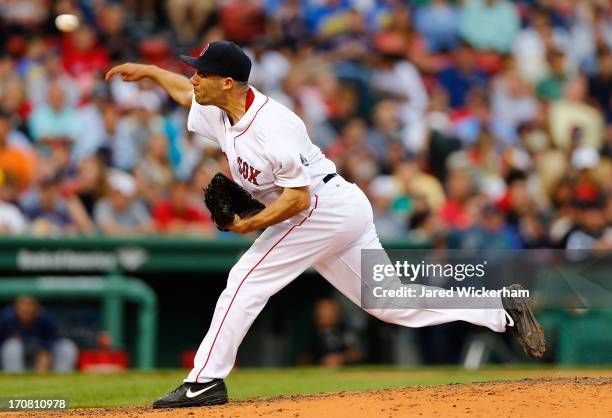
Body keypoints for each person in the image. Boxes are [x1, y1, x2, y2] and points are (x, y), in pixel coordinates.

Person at [105, 40, 545, 409]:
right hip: (341, 207)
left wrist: (252, 223)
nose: (194, 78)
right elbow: (184, 93)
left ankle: (203, 381)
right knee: (389, 302)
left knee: (245, 278)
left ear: (227, 82)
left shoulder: (273, 128)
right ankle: (498, 307)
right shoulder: (220, 109)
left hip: (321, 207)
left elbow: (298, 199)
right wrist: (148, 71)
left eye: (202, 73)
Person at [0, 296, 77, 373]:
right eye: (22, 304)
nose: (26, 308)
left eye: (30, 304)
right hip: (18, 361)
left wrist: (45, 353)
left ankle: (61, 379)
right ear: (15, 307)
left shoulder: (46, 319)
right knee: (12, 346)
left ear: (37, 308)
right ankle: (14, 377)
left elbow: (50, 341)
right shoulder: (6, 320)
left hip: (40, 357)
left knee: (67, 346)